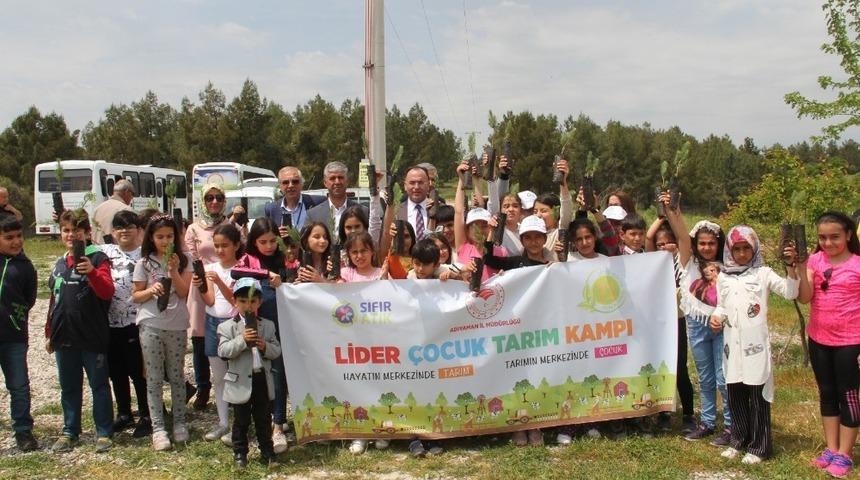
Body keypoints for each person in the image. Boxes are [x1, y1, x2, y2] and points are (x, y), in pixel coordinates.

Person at [709, 225, 799, 464]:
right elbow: (722, 305)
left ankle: (759, 446)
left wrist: (791, 268)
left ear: (754, 248)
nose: (741, 254)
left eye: (746, 248)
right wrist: (716, 318)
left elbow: (790, 293)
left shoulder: (763, 273)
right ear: (729, 250)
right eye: (736, 249)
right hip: (732, 345)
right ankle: (738, 440)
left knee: (757, 394)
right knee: (735, 392)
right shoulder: (724, 276)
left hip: (755, 345)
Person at [662, 199, 733, 446]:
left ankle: (732, 426)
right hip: (696, 323)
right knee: (705, 376)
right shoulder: (688, 261)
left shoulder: (729, 266)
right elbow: (681, 234)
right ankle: (708, 421)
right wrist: (674, 211)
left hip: (722, 325)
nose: (706, 247)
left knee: (723, 376)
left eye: (711, 243)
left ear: (719, 244)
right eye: (702, 243)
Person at [797, 211, 860, 478]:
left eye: (835, 237)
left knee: (849, 396)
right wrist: (800, 268)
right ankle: (831, 449)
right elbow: (805, 298)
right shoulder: (813, 260)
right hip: (819, 339)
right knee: (827, 393)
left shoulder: (858, 264)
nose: (828, 243)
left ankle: (846, 453)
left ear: (848, 234)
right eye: (822, 237)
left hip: (851, 342)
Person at [46, 209, 115, 453]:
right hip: (65, 337)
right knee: (69, 386)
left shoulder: (97, 258)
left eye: (76, 230)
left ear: (87, 232)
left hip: (92, 336)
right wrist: (49, 331)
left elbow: (107, 292)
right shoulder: (59, 264)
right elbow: (55, 300)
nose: (71, 235)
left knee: (99, 385)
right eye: (66, 230)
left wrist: (93, 273)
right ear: (60, 234)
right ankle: (70, 430)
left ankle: (104, 431)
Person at [132, 214, 192, 451]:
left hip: (176, 324)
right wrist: (150, 290)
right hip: (151, 323)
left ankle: (179, 422)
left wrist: (174, 270)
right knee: (154, 377)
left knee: (176, 375)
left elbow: (184, 291)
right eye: (160, 237)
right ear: (151, 238)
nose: (165, 241)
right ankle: (158, 428)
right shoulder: (143, 263)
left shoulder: (185, 260)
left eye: (169, 236)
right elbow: (135, 295)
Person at [185, 182, 246, 411]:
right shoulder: (193, 229)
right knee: (200, 339)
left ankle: (232, 389)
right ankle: (203, 387)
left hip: (226, 281)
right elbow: (191, 257)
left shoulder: (232, 227)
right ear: (202, 200)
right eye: (209, 197)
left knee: (229, 334)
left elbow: (242, 251)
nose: (214, 202)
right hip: (202, 285)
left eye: (219, 198)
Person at [232, 218, 290, 451]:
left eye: (272, 241)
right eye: (263, 242)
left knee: (278, 373)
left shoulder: (284, 257)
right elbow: (236, 271)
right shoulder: (249, 259)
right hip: (256, 324)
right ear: (254, 242)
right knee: (258, 376)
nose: (268, 246)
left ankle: (278, 423)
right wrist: (266, 273)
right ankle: (259, 424)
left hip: (281, 324)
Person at [217, 277, 282, 467]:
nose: (248, 305)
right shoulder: (227, 326)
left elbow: (276, 350)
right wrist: (242, 340)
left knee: (263, 418)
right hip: (239, 382)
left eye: (253, 301)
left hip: (261, 378)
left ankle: (268, 452)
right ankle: (240, 454)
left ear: (259, 302)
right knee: (241, 420)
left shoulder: (267, 325)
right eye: (243, 301)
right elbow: (223, 351)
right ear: (235, 302)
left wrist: (264, 346)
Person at [100, 210, 152, 439]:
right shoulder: (105, 252)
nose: (124, 230)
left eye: (129, 226)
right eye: (119, 227)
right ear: (112, 232)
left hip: (136, 322)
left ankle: (146, 414)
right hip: (110, 322)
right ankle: (123, 413)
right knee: (116, 371)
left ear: (139, 230)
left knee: (138, 371)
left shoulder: (146, 256)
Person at [193, 223, 243, 445]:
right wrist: (202, 287)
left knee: (238, 374)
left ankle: (241, 422)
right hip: (214, 322)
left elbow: (236, 300)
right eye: (217, 246)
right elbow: (210, 301)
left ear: (236, 245)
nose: (220, 250)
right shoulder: (209, 267)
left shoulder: (242, 267)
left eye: (225, 246)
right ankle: (223, 422)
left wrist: (220, 282)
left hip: (234, 323)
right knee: (219, 376)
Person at [645, 216, 696, 434]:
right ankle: (664, 413)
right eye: (660, 244)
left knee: (680, 369)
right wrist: (660, 217)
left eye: (668, 242)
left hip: (678, 321)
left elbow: (685, 239)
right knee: (660, 367)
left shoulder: (681, 261)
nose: (663, 247)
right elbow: (648, 237)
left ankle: (688, 414)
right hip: (657, 324)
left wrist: (673, 215)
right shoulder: (652, 262)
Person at [0, 216, 38, 451]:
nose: (16, 242)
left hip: (14, 337)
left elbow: (30, 299)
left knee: (19, 385)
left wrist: (14, 317)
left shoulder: (25, 267)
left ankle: (23, 431)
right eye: (8, 238)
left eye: (18, 236)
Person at [307, 161, 367, 241]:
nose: (337, 182)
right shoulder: (313, 215)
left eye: (341, 177)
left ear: (347, 181)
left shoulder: (363, 211)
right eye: (332, 178)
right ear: (325, 183)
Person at [264, 166, 324, 234]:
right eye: (285, 182)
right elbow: (267, 236)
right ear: (280, 186)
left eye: (295, 181)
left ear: (302, 183)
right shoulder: (271, 209)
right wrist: (276, 235)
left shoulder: (318, 202)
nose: (290, 185)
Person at [92, 179, 135, 245]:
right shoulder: (126, 210)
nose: (132, 198)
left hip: (96, 251)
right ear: (126, 192)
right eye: (132, 194)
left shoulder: (98, 208)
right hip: (115, 253)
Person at [397, 166, 432, 242]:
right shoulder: (396, 212)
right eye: (412, 183)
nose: (416, 187)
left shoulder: (438, 209)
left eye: (420, 182)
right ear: (405, 186)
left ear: (429, 184)